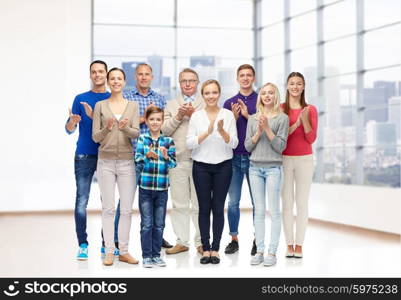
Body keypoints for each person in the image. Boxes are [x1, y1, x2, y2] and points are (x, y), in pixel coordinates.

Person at [66, 60, 119, 260]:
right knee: (82, 200)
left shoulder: (112, 98)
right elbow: (69, 130)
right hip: (84, 154)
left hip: (107, 154)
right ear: (90, 75)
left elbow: (116, 128)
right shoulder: (80, 98)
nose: (97, 75)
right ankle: (82, 244)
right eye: (94, 72)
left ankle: (107, 243)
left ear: (106, 74)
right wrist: (72, 122)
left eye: (101, 72)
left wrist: (96, 115)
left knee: (108, 202)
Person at [187, 80, 238, 264]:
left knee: (218, 208)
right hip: (201, 166)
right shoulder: (196, 116)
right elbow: (189, 143)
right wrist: (208, 132)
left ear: (219, 93)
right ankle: (205, 248)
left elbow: (234, 143)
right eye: (207, 93)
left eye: (214, 92)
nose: (211, 96)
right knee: (203, 208)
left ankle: (216, 248)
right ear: (203, 95)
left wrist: (222, 131)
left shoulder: (228, 115)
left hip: (223, 166)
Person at [92, 67, 140, 266]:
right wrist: (107, 127)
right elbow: (96, 136)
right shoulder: (100, 106)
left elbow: (136, 133)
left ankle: (125, 251)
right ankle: (109, 251)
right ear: (108, 82)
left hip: (127, 162)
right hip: (105, 162)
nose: (116, 81)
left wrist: (125, 128)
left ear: (124, 81)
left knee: (127, 210)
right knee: (108, 209)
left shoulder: (133, 105)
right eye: (112, 78)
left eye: (119, 78)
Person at [124, 63, 172, 249]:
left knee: (157, 202)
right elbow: (125, 124)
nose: (144, 77)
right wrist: (145, 116)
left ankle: (157, 238)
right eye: (140, 74)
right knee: (126, 202)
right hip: (135, 158)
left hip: (157, 161)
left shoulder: (160, 99)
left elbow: (164, 126)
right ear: (136, 77)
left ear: (152, 77)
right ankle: (116, 240)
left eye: (147, 74)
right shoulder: (127, 98)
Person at [245, 83, 289, 266]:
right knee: (259, 212)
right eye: (264, 93)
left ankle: (272, 252)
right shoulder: (253, 119)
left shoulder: (282, 118)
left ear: (276, 96)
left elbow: (281, 147)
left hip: (273, 169)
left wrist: (268, 130)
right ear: (260, 96)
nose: (267, 95)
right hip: (254, 169)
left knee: (274, 211)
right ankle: (260, 250)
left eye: (271, 93)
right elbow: (248, 146)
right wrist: (259, 132)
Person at [162, 68, 204, 255]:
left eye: (192, 80)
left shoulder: (205, 103)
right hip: (177, 161)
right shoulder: (171, 105)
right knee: (179, 204)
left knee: (200, 204)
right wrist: (179, 116)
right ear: (179, 84)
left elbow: (210, 129)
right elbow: (164, 131)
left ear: (197, 83)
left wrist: (194, 114)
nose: (188, 84)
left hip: (201, 161)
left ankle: (202, 242)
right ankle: (182, 242)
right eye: (184, 81)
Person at [281, 72, 318, 259]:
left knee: (302, 203)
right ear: (287, 86)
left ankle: (300, 245)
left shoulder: (310, 110)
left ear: (303, 87)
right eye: (292, 83)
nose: (295, 87)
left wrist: (305, 121)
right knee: (287, 204)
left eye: (299, 84)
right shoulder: (280, 109)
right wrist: (296, 124)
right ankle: (289, 244)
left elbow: (311, 138)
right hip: (285, 160)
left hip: (305, 159)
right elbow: (279, 138)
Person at [135, 106, 177, 268]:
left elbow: (173, 163)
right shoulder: (142, 139)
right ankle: (146, 256)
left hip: (162, 190)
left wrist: (166, 157)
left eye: (158, 119)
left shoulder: (168, 141)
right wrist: (147, 155)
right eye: (151, 119)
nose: (155, 122)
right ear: (146, 121)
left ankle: (156, 255)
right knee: (147, 223)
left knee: (159, 224)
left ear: (162, 121)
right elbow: (137, 159)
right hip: (145, 188)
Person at [223, 64, 258, 255]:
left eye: (248, 75)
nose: (245, 78)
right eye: (242, 75)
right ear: (237, 78)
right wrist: (234, 119)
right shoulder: (229, 103)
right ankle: (234, 239)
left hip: (255, 158)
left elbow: (263, 126)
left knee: (257, 202)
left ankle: (257, 238)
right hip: (234, 158)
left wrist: (247, 115)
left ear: (253, 78)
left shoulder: (261, 100)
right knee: (233, 202)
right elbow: (224, 133)